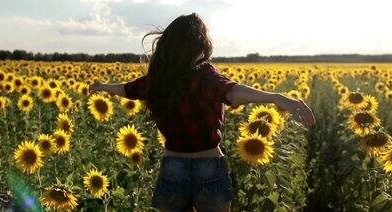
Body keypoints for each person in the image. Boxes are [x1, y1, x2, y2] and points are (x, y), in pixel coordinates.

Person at [88, 13, 316, 212]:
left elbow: (128, 90)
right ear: (200, 45)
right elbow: (232, 92)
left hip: (173, 166)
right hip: (209, 166)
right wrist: (275, 97)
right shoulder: (205, 76)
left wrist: (103, 87)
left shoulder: (159, 80)